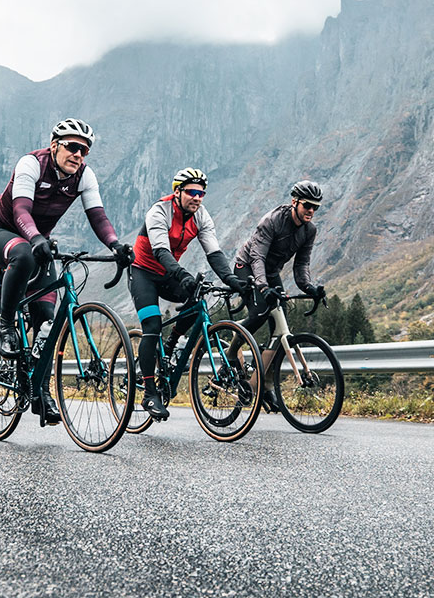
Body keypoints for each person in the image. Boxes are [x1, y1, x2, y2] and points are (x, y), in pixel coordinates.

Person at [0, 117, 134, 424]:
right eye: (73, 147)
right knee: (24, 254)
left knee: (47, 322)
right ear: (55, 146)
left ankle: (39, 390)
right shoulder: (31, 164)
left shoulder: (84, 176)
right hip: (2, 232)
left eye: (85, 150)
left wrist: (116, 245)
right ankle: (7, 325)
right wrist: (36, 238)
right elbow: (20, 209)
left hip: (39, 241)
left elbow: (98, 216)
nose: (79, 155)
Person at [127, 168, 249, 420]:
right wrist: (182, 275)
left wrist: (231, 279)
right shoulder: (159, 211)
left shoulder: (201, 216)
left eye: (202, 193)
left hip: (169, 273)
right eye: (192, 192)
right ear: (177, 192)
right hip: (143, 272)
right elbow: (161, 251)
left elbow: (214, 253)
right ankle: (149, 394)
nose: (197, 197)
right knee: (152, 325)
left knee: (197, 302)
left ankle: (170, 345)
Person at [233, 181, 327, 396]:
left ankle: (262, 385)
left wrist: (308, 287)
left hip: (271, 272)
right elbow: (257, 257)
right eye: (307, 205)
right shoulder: (272, 221)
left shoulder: (309, 230)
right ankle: (231, 352)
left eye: (316, 207)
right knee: (259, 313)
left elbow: (301, 264)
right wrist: (264, 287)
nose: (311, 211)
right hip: (247, 266)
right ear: (294, 202)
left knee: (280, 327)